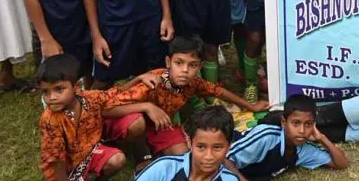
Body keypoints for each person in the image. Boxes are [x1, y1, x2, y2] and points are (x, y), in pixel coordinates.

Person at [77, 106, 255, 181]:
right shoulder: (163, 170)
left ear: (228, 146)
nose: (208, 156)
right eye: (201, 147)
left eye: (217, 148)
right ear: (189, 141)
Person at [103, 36, 268, 157]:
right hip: (125, 120)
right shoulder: (152, 83)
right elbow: (106, 110)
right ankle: (139, 156)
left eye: (192, 65)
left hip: (157, 127)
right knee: (136, 123)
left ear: (199, 67)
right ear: (168, 63)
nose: (185, 70)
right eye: (179, 63)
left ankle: (150, 146)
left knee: (183, 154)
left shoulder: (192, 82)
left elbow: (217, 91)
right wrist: (147, 107)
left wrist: (250, 106)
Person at [37, 54, 129, 181]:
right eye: (45, 92)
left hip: (89, 154)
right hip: (64, 172)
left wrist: (140, 81)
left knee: (117, 159)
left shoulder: (88, 98)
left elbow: (114, 94)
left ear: (76, 86)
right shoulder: (50, 119)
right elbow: (56, 159)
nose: (51, 97)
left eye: (58, 89)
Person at [226, 94, 349, 181]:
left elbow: (342, 164)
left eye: (308, 124)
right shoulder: (266, 137)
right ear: (284, 122)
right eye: (296, 123)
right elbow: (224, 160)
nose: (302, 131)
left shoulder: (302, 150)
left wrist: (322, 138)